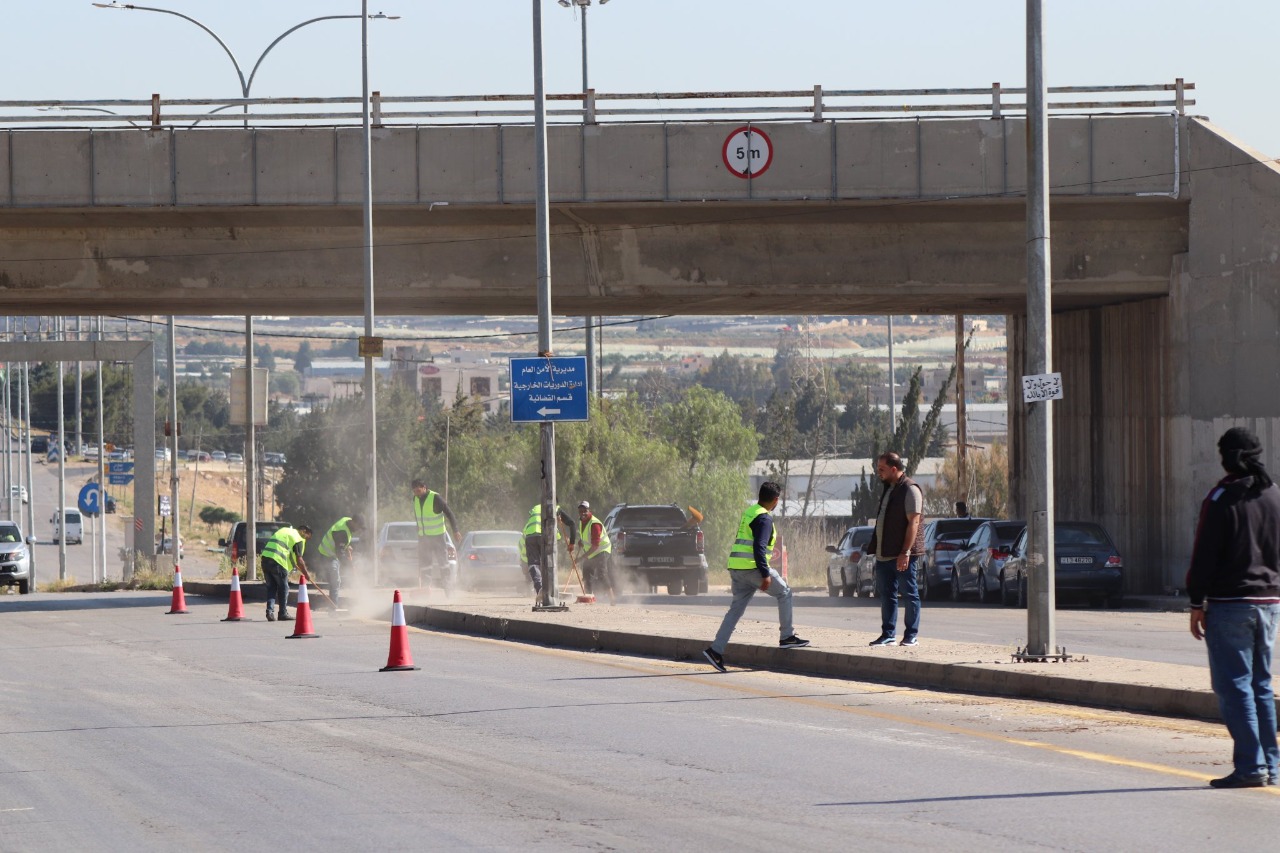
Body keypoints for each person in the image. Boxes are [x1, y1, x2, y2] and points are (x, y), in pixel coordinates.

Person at [1187, 427, 1280, 788]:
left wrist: (1196, 602)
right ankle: (1270, 765)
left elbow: (1203, 555)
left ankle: (1250, 766)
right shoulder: (1274, 495)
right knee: (1260, 685)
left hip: (1230, 606)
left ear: (1226, 457)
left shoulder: (1221, 497)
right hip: (1270, 604)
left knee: (1234, 687)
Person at [702, 481, 809, 672]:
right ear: (775, 500)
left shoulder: (750, 512)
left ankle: (715, 650)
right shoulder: (764, 518)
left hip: (736, 568)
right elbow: (759, 547)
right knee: (784, 593)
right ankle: (787, 636)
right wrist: (765, 573)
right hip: (753, 569)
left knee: (735, 610)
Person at [867, 451, 924, 647]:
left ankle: (911, 635)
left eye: (881, 469)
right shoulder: (888, 488)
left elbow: (913, 523)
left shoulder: (910, 489)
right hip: (884, 554)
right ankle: (888, 634)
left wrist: (905, 552)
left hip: (902, 555)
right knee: (887, 594)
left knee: (910, 593)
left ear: (893, 469)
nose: (878, 473)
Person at [520, 502, 577, 605]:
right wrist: (570, 542)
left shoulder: (536, 507)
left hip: (530, 534)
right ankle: (550, 591)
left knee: (534, 563)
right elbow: (570, 524)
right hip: (544, 535)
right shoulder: (556, 507)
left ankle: (540, 588)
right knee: (548, 562)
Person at [412, 479, 460, 590]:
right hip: (424, 538)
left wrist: (455, 530)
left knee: (443, 563)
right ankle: (425, 588)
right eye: (414, 491)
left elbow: (449, 513)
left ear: (424, 487)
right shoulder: (415, 499)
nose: (416, 494)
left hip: (438, 537)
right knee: (425, 564)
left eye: (418, 491)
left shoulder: (435, 498)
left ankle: (448, 586)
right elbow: (418, 516)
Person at [261, 524, 313, 623]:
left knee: (271, 587)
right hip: (278, 561)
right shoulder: (298, 538)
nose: (306, 540)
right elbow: (299, 560)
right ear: (304, 532)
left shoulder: (286, 530)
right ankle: (282, 613)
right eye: (307, 537)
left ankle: (270, 612)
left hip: (265, 559)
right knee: (284, 588)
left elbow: (287, 551)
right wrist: (306, 574)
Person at [570, 501, 616, 604]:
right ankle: (589, 598)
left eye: (585, 511)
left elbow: (596, 545)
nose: (582, 513)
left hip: (602, 550)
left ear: (589, 510)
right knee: (586, 572)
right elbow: (587, 537)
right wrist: (582, 542)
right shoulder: (582, 521)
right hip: (592, 551)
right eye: (580, 511)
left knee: (601, 574)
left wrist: (581, 558)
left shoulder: (594, 524)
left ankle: (612, 599)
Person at [316, 514, 363, 607]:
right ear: (354, 522)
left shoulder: (347, 520)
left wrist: (346, 546)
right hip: (328, 555)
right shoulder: (342, 532)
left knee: (335, 581)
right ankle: (333, 607)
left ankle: (333, 605)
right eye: (358, 526)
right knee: (335, 581)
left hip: (332, 553)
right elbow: (340, 553)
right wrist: (349, 566)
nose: (359, 529)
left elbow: (340, 542)